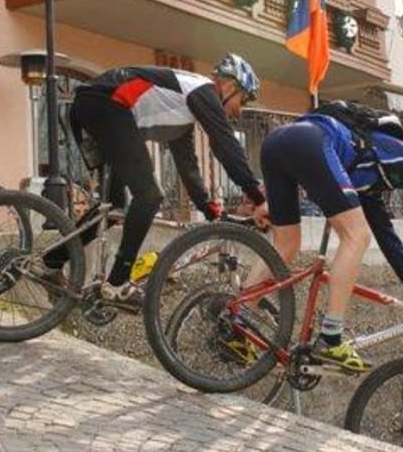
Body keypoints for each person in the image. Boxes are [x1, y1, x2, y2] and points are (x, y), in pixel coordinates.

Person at [250, 111, 403, 372]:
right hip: (312, 140)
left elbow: (385, 234)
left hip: (277, 142)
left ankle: (236, 321)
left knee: (286, 245)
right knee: (356, 236)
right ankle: (331, 339)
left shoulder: (373, 165)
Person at [58, 53, 269, 307]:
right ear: (230, 86)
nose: (239, 110)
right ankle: (117, 284)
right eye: (242, 100)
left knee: (112, 208)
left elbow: (187, 163)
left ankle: (50, 261)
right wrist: (257, 197)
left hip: (94, 106)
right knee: (148, 196)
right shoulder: (204, 90)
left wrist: (207, 207)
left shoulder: (184, 107)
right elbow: (225, 145)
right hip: (107, 103)